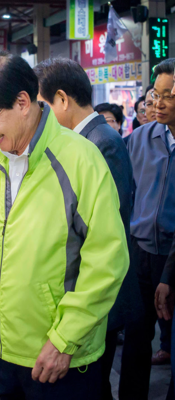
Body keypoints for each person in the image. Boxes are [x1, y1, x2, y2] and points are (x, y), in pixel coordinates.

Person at [0, 51, 128, 400]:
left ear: (23, 102)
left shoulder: (80, 160)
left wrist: (65, 338)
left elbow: (107, 260)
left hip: (58, 359)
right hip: (1, 355)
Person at [34, 57, 141, 400]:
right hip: (84, 292)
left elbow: (104, 229)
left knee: (93, 384)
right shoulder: (85, 139)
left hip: (98, 293)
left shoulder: (99, 143)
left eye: (41, 106)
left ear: (62, 100)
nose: (38, 117)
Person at [119, 58, 175, 400]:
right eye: (158, 93)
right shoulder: (139, 138)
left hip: (173, 254)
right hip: (138, 253)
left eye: (171, 94)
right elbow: (125, 195)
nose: (162, 102)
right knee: (136, 338)